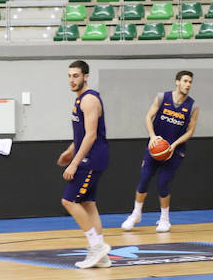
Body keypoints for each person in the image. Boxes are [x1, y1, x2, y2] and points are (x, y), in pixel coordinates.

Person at [121, 71, 200, 233]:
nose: (188, 84)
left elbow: (190, 131)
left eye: (190, 82)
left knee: (163, 183)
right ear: (177, 82)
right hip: (156, 147)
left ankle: (165, 220)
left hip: (174, 152)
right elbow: (148, 117)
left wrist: (174, 145)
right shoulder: (162, 97)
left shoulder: (193, 106)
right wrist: (152, 137)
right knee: (144, 179)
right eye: (185, 81)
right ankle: (136, 214)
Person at [57, 60, 112, 269]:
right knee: (88, 204)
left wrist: (74, 163)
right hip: (90, 156)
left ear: (86, 76)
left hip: (92, 158)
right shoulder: (80, 99)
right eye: (70, 76)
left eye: (76, 76)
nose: (72, 80)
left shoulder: (89, 100)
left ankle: (97, 246)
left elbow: (91, 135)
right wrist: (69, 152)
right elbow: (81, 135)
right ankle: (102, 256)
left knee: (69, 201)